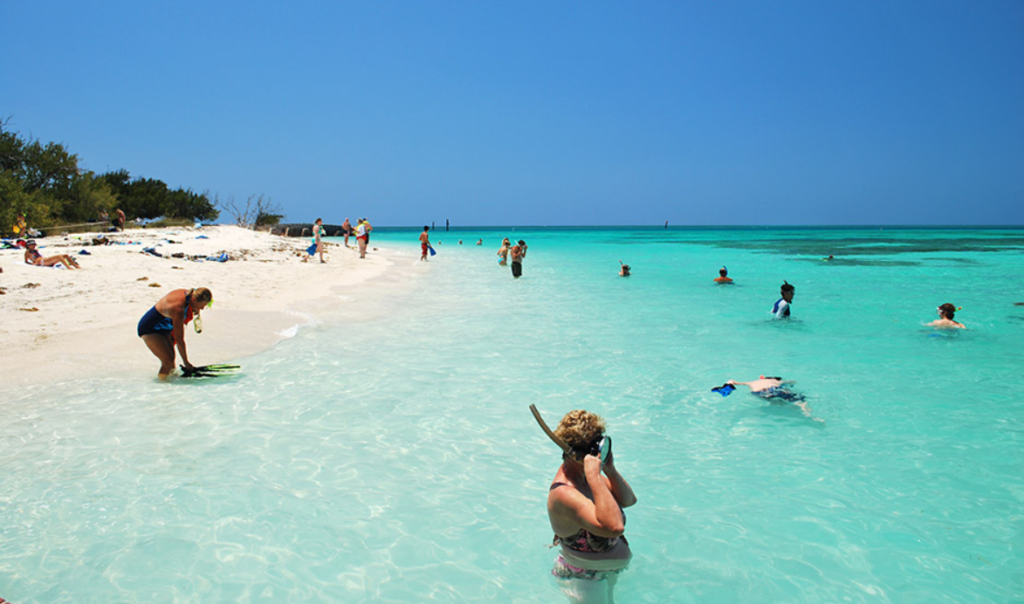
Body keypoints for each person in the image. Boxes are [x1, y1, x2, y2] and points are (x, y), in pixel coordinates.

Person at [546, 409, 637, 603]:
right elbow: (615, 527)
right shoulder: (565, 493)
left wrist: (610, 470)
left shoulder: (587, 478)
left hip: (602, 571)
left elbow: (628, 500)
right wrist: (595, 476)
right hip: (584, 577)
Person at [137, 287, 213, 380]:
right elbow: (179, 339)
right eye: (202, 305)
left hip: (165, 328)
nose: (202, 308)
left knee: (171, 362)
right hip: (150, 329)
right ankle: (161, 386)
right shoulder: (178, 309)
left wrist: (194, 308)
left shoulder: (190, 294)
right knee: (167, 362)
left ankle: (171, 384)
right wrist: (186, 362)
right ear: (194, 299)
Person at [717, 376, 818, 420]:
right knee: (800, 400)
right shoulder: (777, 381)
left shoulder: (751, 382)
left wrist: (728, 384)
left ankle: (777, 408)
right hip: (774, 389)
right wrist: (790, 383)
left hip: (759, 393)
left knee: (774, 401)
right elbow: (792, 382)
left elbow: (732, 380)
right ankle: (808, 414)